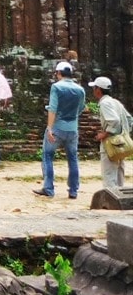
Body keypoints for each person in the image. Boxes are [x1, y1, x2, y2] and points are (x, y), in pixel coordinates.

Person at [33, 61, 86, 199]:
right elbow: (80, 108)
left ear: (59, 73)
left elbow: (53, 108)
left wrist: (49, 128)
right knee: (73, 158)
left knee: (47, 156)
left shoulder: (56, 87)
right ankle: (73, 190)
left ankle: (48, 188)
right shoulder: (80, 89)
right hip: (72, 128)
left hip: (57, 127)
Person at [89, 76, 129, 189]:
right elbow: (129, 120)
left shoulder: (104, 103)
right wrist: (123, 134)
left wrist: (105, 133)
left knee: (109, 173)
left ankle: (111, 199)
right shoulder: (116, 102)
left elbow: (114, 121)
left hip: (110, 144)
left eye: (94, 88)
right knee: (119, 172)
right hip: (121, 143)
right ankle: (120, 197)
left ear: (98, 89)